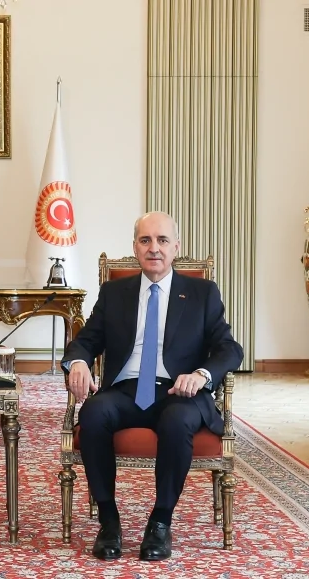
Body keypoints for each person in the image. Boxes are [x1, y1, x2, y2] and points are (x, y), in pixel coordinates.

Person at [62, 211, 243, 562]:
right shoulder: (114, 293)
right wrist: (79, 361)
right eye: (145, 240)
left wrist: (202, 374)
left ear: (176, 247)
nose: (154, 248)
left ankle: (161, 522)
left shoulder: (202, 293)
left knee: (177, 421)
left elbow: (229, 348)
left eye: (162, 240)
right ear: (135, 247)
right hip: (126, 389)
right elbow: (86, 341)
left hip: (179, 392)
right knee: (94, 413)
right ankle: (109, 521)